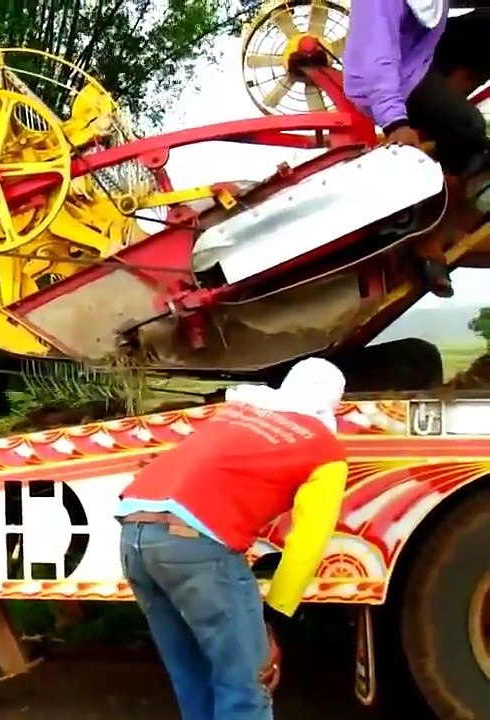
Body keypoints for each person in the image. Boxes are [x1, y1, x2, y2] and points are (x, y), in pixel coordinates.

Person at [115, 358, 349, 720]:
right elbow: (307, 544)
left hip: (134, 534)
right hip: (195, 544)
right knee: (247, 685)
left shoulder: (237, 413)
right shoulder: (325, 450)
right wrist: (273, 620)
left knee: (193, 676)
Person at [343, 0, 490, 299]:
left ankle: (448, 115)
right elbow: (376, 57)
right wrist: (395, 121)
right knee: (467, 126)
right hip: (392, 78)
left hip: (422, 56)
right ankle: (430, 234)